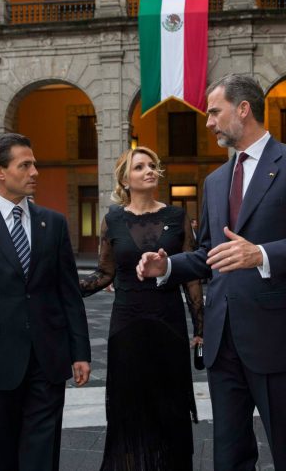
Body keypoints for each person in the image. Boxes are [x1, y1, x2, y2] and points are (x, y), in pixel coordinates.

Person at [137, 74, 286, 470]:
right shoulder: (215, 181)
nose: (208, 122)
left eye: (215, 111)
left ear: (243, 109)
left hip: (276, 338)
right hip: (222, 339)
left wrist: (261, 254)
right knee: (228, 454)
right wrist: (169, 266)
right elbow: (213, 253)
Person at [0, 133, 92, 471]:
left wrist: (80, 351)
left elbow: (68, 293)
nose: (35, 171)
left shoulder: (53, 223)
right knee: (5, 454)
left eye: (34, 163)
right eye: (25, 165)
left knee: (43, 453)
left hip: (49, 359)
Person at [79, 146, 204, 471]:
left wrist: (200, 328)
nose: (149, 170)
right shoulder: (113, 220)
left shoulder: (177, 217)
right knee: (130, 411)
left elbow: (190, 275)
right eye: (139, 167)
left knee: (170, 410)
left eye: (152, 165)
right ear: (125, 178)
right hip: (127, 327)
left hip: (168, 325)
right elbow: (104, 273)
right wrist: (64, 288)